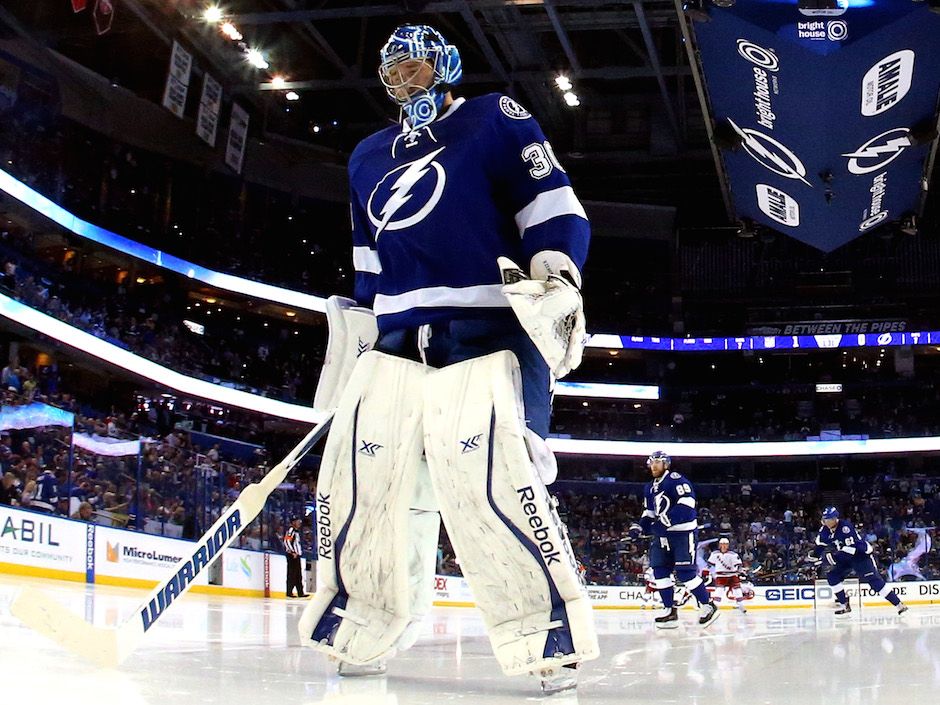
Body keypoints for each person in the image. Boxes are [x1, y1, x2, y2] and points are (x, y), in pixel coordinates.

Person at [298, 23, 596, 694]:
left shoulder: (494, 117)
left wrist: (556, 270)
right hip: (399, 338)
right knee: (374, 486)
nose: (403, 76)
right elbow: (369, 263)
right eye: (393, 66)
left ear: (446, 63)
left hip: (485, 324)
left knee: (493, 481)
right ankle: (365, 623)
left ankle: (543, 635)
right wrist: (358, 331)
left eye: (414, 63)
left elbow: (553, 206)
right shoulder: (366, 156)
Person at [639, 451, 719, 629]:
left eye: (658, 462)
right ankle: (670, 610)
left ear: (666, 464)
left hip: (682, 534)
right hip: (662, 536)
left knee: (686, 573)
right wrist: (640, 527)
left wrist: (665, 522)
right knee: (659, 571)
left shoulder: (676, 480)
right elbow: (649, 512)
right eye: (651, 462)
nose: (653, 466)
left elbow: (687, 505)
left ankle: (708, 605)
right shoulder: (649, 487)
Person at [809, 507, 907, 616]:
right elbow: (821, 544)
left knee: (874, 582)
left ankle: (899, 605)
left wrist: (832, 558)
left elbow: (851, 549)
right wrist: (815, 554)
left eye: (828, 519)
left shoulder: (845, 528)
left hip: (860, 555)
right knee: (832, 576)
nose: (826, 522)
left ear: (835, 519)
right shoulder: (825, 529)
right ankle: (844, 604)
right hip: (846, 556)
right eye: (825, 519)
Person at [707, 538, 747, 613]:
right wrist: (709, 572)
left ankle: (741, 606)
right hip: (720, 575)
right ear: (719, 545)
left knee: (737, 590)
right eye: (722, 544)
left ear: (728, 545)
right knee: (719, 591)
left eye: (725, 544)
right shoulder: (714, 554)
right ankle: (715, 607)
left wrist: (739, 570)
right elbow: (710, 564)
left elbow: (738, 564)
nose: (724, 546)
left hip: (732, 575)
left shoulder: (733, 554)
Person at [284, 517, 306, 599]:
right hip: (292, 555)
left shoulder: (296, 532)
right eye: (297, 521)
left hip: (296, 555)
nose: (299, 522)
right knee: (292, 574)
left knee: (298, 575)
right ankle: (289, 593)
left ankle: (300, 592)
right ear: (293, 522)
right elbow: (286, 541)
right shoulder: (291, 530)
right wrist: (292, 552)